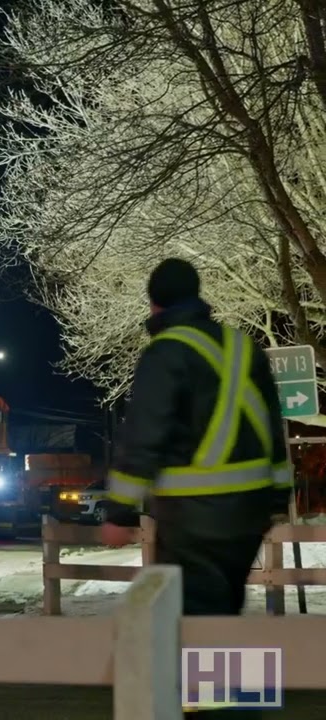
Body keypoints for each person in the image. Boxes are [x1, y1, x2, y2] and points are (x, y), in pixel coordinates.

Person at [100, 258, 292, 714]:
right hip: (247, 516)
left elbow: (143, 435)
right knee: (223, 614)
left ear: (154, 303)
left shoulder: (167, 353)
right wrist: (278, 497)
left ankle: (228, 711)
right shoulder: (244, 349)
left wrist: (119, 512)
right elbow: (272, 429)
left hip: (193, 517)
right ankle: (235, 704)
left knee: (201, 627)